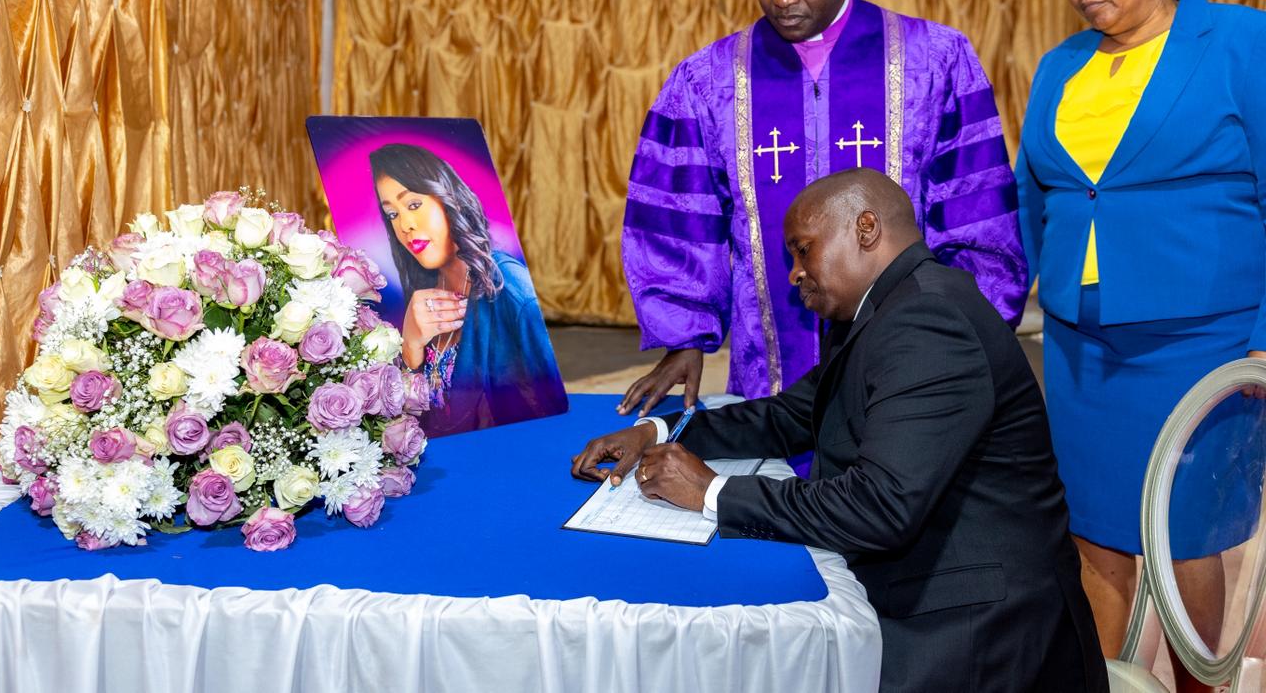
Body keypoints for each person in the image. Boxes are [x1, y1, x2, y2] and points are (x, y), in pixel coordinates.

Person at [576, 169, 1106, 691]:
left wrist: (711, 492)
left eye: (803, 250)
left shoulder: (927, 321)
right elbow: (789, 416)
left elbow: (881, 507)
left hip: (980, 627)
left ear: (866, 228)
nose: (794, 273)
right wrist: (661, 430)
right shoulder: (886, 308)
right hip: (932, 584)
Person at [620, 0, 1028, 418]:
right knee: (777, 484)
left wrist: (969, 330)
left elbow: (976, 209)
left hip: (911, 359)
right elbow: (677, 219)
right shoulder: (710, 80)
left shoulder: (935, 60)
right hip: (769, 367)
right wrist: (685, 337)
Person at [1015, 0, 1266, 691]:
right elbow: (1038, 194)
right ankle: (1102, 682)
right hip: (1083, 351)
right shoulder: (1059, 67)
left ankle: (1201, 685)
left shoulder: (1239, 43)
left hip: (1200, 344)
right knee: (1093, 535)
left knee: (1186, 532)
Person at [370, 144, 567, 436]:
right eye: (392, 215)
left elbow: (552, 412)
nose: (405, 226)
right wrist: (411, 347)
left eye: (413, 205)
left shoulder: (510, 288)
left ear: (451, 201)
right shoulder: (423, 291)